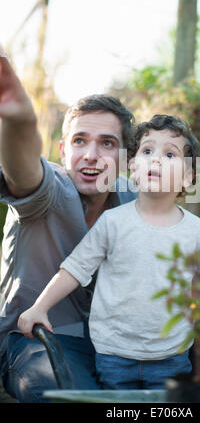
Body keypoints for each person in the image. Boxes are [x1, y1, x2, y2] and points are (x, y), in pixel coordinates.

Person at [18, 114, 200, 390]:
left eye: (169, 154)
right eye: (147, 151)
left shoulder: (196, 231)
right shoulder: (113, 222)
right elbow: (74, 268)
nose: (155, 159)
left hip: (173, 358)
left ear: (189, 177)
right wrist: (39, 307)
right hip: (113, 356)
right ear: (131, 165)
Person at [0, 49, 137, 402]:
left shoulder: (133, 202)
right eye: (80, 141)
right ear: (63, 151)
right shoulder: (48, 190)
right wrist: (19, 122)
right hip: (35, 342)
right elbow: (23, 166)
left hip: (114, 345)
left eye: (107, 143)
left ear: (124, 158)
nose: (91, 155)